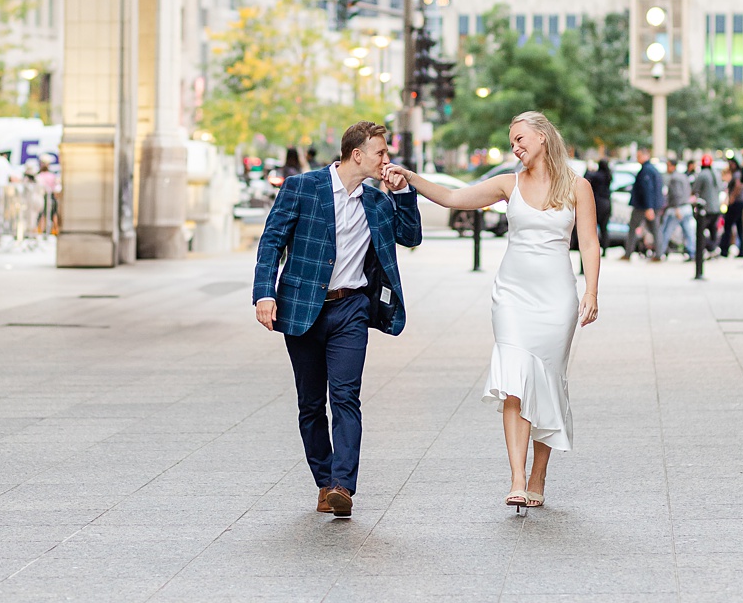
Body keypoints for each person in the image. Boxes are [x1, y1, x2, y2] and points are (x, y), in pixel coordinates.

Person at [385, 111, 599, 512]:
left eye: (520, 139)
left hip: (557, 299)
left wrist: (591, 291)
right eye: (512, 141)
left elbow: (589, 243)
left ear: (542, 137)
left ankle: (539, 474)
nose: (515, 147)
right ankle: (518, 478)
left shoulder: (577, 186)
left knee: (547, 381)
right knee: (515, 378)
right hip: (513, 295)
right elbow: (453, 197)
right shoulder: (507, 184)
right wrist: (411, 178)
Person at [252, 121, 421, 518]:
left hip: (351, 309)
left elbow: (410, 237)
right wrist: (264, 292)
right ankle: (325, 481)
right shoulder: (302, 188)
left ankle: (343, 485)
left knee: (346, 397)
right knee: (311, 404)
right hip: (302, 309)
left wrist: (404, 194)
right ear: (357, 154)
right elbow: (272, 241)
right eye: (381, 152)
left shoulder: (377, 202)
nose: (386, 160)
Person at [619, 148, 663, 262]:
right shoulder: (652, 169)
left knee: (635, 228)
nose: (637, 158)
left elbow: (647, 190)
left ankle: (629, 252)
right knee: (655, 229)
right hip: (650, 206)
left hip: (643, 206)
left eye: (639, 156)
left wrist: (649, 207)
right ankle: (658, 253)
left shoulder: (646, 170)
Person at [660, 155, 695, 261]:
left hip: (677, 209)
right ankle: (692, 251)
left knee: (666, 230)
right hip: (685, 206)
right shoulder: (682, 176)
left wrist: (676, 208)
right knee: (688, 231)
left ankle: (660, 251)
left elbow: (677, 194)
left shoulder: (675, 178)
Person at [692, 153, 721, 256]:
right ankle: (713, 248)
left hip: (706, 208)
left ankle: (706, 248)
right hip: (716, 207)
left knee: (701, 230)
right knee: (713, 229)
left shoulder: (702, 174)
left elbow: (695, 189)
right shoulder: (716, 174)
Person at [586, 158, 612, 255]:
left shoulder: (597, 176)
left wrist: (588, 169)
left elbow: (586, 179)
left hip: (598, 204)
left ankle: (594, 249)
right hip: (607, 203)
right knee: (604, 228)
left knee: (593, 228)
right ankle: (605, 249)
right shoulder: (609, 176)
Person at [720, 159, 743, 257]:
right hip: (739, 202)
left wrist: (732, 197)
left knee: (728, 225)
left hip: (736, 203)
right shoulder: (738, 174)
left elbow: (738, 186)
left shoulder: (737, 174)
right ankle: (741, 250)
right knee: (739, 227)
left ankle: (725, 249)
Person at [35, 155, 61, 235]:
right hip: (46, 196)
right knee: (49, 214)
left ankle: (46, 231)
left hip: (45, 196)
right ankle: (46, 231)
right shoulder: (51, 175)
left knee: (48, 214)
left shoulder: (39, 176)